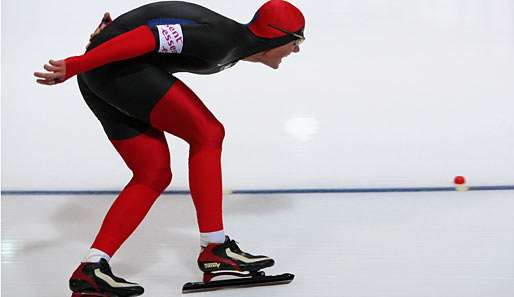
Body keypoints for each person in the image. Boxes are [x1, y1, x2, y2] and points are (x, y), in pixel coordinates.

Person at [34, 0, 305, 296]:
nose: (297, 50)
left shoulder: (236, 48)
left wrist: (105, 40)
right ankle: (215, 249)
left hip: (102, 74)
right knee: (208, 133)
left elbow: (151, 30)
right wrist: (77, 63)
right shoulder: (220, 39)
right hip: (110, 70)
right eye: (296, 41)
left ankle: (92, 268)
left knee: (153, 173)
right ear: (276, 37)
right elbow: (146, 38)